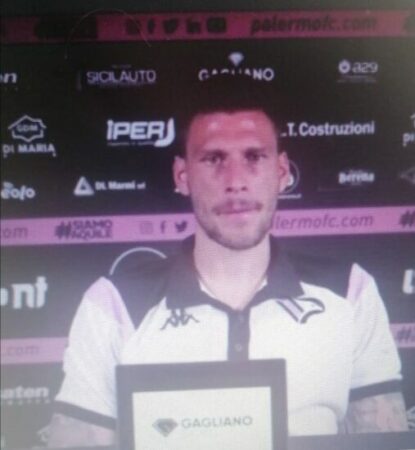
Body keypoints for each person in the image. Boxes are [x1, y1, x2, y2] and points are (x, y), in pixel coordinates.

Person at [47, 76, 408, 447]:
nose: (235, 181)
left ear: (282, 172)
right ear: (182, 176)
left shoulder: (349, 292)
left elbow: (384, 443)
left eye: (254, 157)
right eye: (213, 159)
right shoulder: (114, 303)